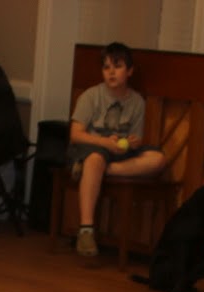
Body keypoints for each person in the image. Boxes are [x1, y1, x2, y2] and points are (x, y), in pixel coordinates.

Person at [66, 42, 166, 259]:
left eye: (117, 66)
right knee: (94, 159)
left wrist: (131, 143)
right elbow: (75, 134)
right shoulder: (91, 96)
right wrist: (104, 142)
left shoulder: (137, 101)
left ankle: (103, 170)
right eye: (106, 67)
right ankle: (86, 229)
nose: (111, 72)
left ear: (129, 71)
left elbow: (136, 139)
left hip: (119, 154)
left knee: (157, 159)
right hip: (92, 147)